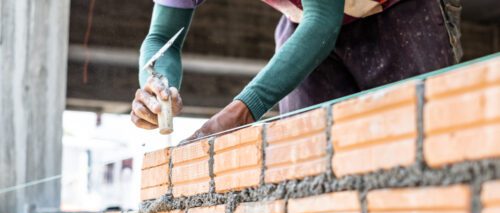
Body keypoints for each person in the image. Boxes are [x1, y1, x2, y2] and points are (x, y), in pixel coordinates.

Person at [131, 0, 462, 141]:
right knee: (307, 164)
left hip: (397, 10)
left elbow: (323, 21)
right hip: (305, 21)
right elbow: (162, 39)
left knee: (424, 142)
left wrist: (242, 111)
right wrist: (157, 86)